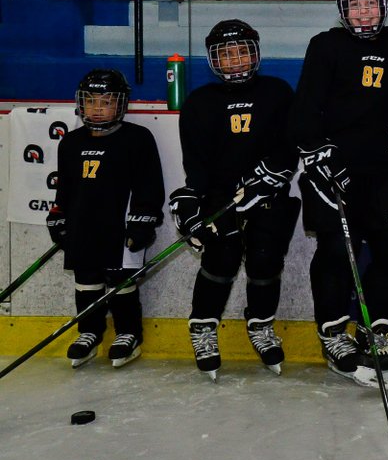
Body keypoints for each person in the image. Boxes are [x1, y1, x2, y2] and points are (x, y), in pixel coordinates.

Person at [289, 0, 388, 388]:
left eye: (370, 3)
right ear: (343, 10)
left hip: (384, 170)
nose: (363, 11)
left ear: (384, 4)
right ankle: (332, 332)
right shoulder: (325, 46)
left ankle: (373, 326)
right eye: (354, 4)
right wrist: (320, 153)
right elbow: (304, 110)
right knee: (335, 252)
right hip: (334, 170)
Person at [169, 20, 300, 380]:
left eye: (242, 51)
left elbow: (289, 150)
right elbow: (195, 164)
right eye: (226, 54)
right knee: (220, 261)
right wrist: (192, 202)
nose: (235, 60)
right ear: (214, 60)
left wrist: (269, 178)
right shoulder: (199, 102)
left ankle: (260, 324)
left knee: (265, 262)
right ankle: (203, 326)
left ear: (255, 53)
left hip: (268, 195)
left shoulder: (277, 92)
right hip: (221, 200)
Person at [47, 69, 164, 369]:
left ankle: (128, 333)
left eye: (106, 101)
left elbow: (149, 187)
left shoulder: (138, 139)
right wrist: (58, 216)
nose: (98, 108)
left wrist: (144, 220)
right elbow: (66, 190)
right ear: (80, 103)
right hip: (83, 225)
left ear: (121, 104)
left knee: (120, 280)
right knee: (85, 280)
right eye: (91, 101)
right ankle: (89, 332)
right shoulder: (70, 143)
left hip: (120, 227)